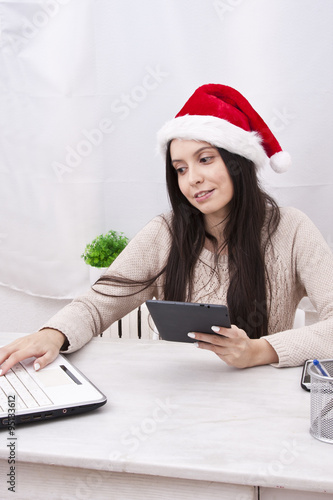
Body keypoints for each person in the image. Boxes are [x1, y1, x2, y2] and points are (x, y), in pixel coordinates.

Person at [1, 84, 333, 374]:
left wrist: (259, 351)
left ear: (237, 161)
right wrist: (52, 334)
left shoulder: (292, 229)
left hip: (260, 403)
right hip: (177, 399)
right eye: (180, 168)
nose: (192, 179)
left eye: (205, 159)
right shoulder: (166, 233)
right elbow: (98, 302)